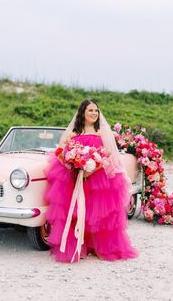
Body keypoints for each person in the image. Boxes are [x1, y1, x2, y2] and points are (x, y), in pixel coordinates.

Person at [44, 99, 138, 262]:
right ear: (82, 113)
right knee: (76, 211)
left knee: (98, 213)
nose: (94, 113)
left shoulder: (101, 131)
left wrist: (92, 168)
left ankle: (99, 246)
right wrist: (73, 164)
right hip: (75, 177)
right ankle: (78, 245)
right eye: (90, 110)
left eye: (96, 110)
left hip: (98, 178)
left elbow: (109, 155)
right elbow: (59, 151)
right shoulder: (74, 132)